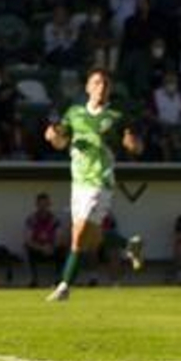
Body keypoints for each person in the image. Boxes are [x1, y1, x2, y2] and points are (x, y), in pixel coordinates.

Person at [43, 67, 144, 302]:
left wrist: (133, 144)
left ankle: (64, 287)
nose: (101, 88)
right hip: (78, 181)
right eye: (97, 83)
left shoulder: (116, 117)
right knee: (92, 238)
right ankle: (129, 244)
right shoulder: (75, 113)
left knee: (78, 235)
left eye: (106, 84)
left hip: (101, 180)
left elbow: (136, 147)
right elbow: (61, 142)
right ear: (88, 87)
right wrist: (52, 137)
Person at [23, 191, 64, 288]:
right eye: (41, 204)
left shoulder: (54, 220)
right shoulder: (31, 220)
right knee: (27, 249)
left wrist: (52, 247)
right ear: (37, 205)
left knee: (62, 250)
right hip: (37, 249)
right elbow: (28, 239)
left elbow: (60, 237)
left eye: (45, 204)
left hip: (52, 249)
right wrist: (41, 248)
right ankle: (33, 280)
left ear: (49, 205)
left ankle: (59, 280)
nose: (43, 207)